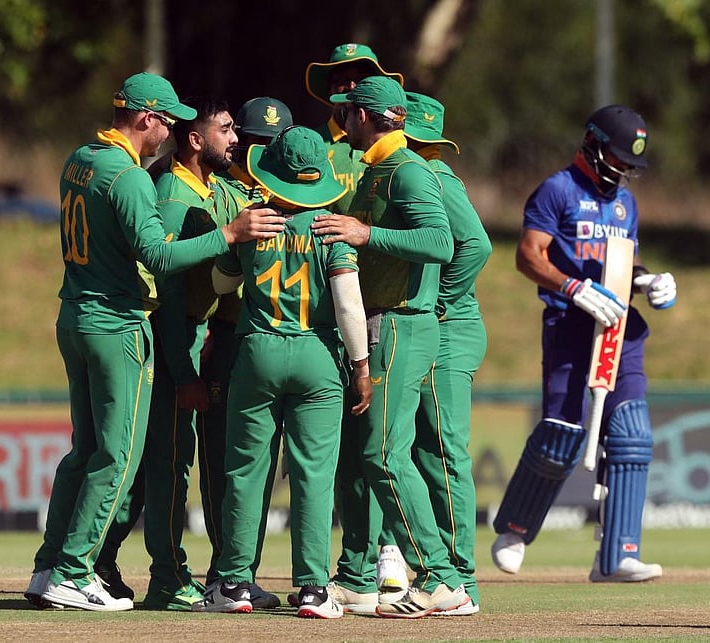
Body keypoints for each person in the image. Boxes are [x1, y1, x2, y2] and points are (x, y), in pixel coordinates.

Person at [23, 72, 285, 612]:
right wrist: (230, 235)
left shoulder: (80, 159)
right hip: (117, 323)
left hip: (74, 315)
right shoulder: (133, 178)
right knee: (119, 457)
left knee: (85, 451)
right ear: (147, 118)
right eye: (165, 122)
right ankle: (74, 570)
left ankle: (50, 564)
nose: (168, 133)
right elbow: (161, 259)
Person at [490, 104, 675, 583]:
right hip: (570, 325)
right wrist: (573, 287)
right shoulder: (557, 190)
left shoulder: (625, 205)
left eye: (630, 163)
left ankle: (616, 555)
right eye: (617, 159)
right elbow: (528, 257)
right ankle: (515, 528)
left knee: (632, 432)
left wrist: (648, 282)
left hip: (618, 326)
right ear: (592, 145)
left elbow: (624, 264)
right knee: (562, 436)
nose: (624, 171)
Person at [193, 126, 372, 619]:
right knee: (314, 476)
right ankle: (313, 590)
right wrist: (361, 367)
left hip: (257, 352)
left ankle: (233, 584)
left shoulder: (251, 222)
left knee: (247, 472)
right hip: (317, 355)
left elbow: (220, 281)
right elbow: (349, 306)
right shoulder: (331, 228)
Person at [310, 76, 471, 618]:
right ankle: (356, 580)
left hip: (402, 324)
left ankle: (441, 578)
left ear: (366, 117)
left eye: (347, 112)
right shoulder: (379, 168)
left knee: (384, 453)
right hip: (377, 325)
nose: (340, 120)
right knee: (361, 457)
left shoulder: (408, 170)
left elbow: (442, 243)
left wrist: (365, 235)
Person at [306, 42, 411, 595]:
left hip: (377, 306)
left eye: (358, 79)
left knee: (385, 439)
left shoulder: (393, 151)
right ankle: (352, 560)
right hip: (323, 306)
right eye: (338, 80)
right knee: (350, 444)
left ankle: (392, 548)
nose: (346, 87)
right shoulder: (313, 148)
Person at [195, 98, 294, 598]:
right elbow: (213, 280)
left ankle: (244, 573)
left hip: (286, 339)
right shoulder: (224, 194)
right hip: (233, 337)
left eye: (276, 144)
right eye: (254, 141)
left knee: (268, 465)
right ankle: (224, 570)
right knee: (226, 461)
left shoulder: (305, 195)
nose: (262, 152)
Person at [403, 92, 493, 615]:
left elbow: (477, 245)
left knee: (442, 453)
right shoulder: (418, 169)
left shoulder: (432, 175)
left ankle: (462, 580)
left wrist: (441, 300)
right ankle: (429, 572)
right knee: (417, 451)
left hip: (449, 327)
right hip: (437, 322)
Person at [305, 43, 403, 214]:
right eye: (341, 80)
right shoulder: (311, 145)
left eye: (361, 79)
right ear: (330, 89)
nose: (351, 86)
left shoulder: (397, 143)